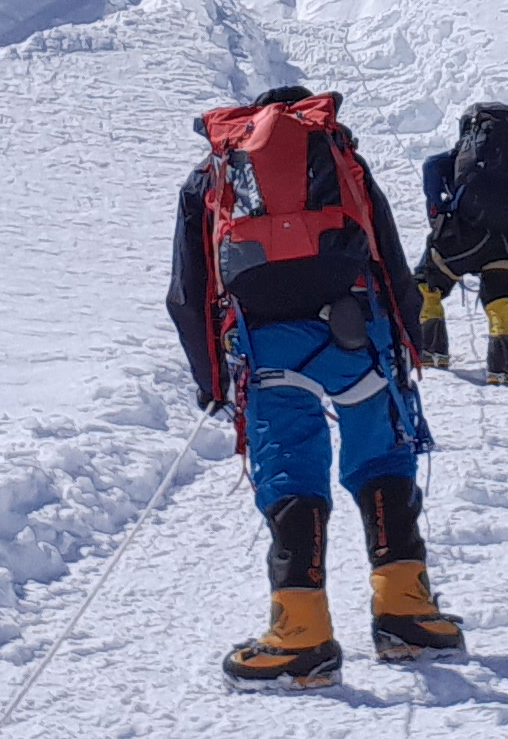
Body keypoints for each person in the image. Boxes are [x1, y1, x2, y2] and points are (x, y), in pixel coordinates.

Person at [166, 83, 465, 685]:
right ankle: (405, 614)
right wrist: (408, 342)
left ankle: (299, 634)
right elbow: (386, 254)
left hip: (266, 348)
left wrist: (213, 381)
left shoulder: (213, 175)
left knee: (291, 473)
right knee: (383, 460)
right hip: (359, 335)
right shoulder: (341, 156)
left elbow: (188, 293)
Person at [415, 100, 508, 385]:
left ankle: (430, 349)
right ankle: (503, 366)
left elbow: (432, 166)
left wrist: (436, 213)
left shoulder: (467, 155)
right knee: (503, 299)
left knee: (427, 281)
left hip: (461, 236)